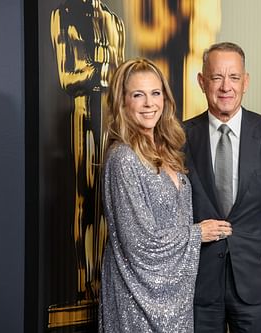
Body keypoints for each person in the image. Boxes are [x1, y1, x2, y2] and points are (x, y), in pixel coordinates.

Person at [99, 58, 232, 333]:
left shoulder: (167, 149)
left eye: (155, 93)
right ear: (123, 102)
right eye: (138, 95)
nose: (149, 103)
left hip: (175, 301)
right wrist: (197, 234)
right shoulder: (123, 158)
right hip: (136, 299)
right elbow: (137, 243)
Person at [183, 42, 261, 332]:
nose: (226, 87)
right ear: (202, 82)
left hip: (256, 279)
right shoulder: (179, 137)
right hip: (198, 282)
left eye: (234, 77)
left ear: (246, 82)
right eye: (216, 78)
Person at [50, 0, 125, 303]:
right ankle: (85, 281)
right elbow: (69, 77)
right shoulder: (64, 14)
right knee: (85, 198)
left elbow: (123, 80)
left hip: (114, 119)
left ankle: (105, 280)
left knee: (112, 203)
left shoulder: (114, 19)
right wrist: (107, 71)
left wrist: (98, 72)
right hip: (83, 115)